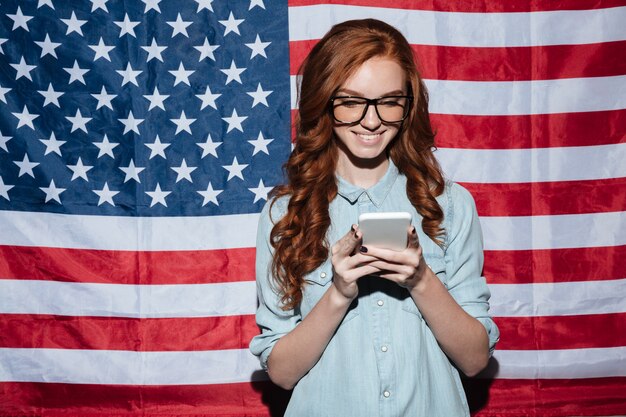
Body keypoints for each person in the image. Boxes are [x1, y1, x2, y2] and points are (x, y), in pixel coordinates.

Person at [250, 18, 499, 417]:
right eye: (351, 101)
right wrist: (338, 293)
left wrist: (420, 279)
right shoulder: (284, 213)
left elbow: (474, 359)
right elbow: (281, 373)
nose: (371, 120)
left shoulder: (449, 205)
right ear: (324, 102)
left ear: (408, 104)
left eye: (389, 101)